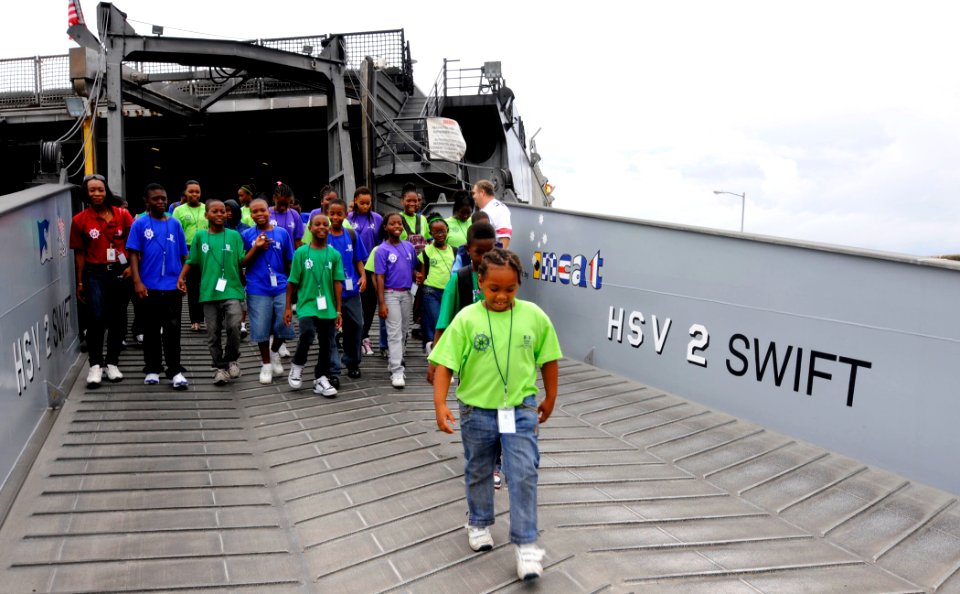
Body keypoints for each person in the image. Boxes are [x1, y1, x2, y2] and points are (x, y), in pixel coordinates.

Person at [429, 249, 561, 581]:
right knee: (479, 468)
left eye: (510, 289)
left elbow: (549, 358)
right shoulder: (467, 319)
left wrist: (551, 395)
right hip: (477, 410)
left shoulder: (534, 316)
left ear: (518, 285)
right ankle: (478, 521)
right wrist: (440, 405)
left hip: (521, 409)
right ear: (480, 283)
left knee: (524, 472)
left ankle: (527, 545)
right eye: (494, 289)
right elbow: (444, 365)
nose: (502, 296)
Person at [69, 173, 134, 387]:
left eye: (100, 190)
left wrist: (132, 269)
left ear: (106, 192)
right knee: (96, 318)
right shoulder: (80, 220)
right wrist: (79, 282)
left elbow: (134, 245)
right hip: (94, 273)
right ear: (86, 194)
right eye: (92, 190)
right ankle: (95, 366)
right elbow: (79, 253)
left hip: (119, 271)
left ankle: (112, 363)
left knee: (118, 318)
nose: (97, 194)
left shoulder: (123, 215)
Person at [126, 183, 190, 389]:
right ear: (147, 201)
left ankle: (175, 371)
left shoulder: (175, 224)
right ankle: (152, 368)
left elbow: (184, 255)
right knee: (151, 329)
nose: (161, 201)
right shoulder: (140, 224)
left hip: (172, 286)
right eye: (156, 198)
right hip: (148, 286)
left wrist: (182, 278)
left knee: (173, 330)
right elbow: (133, 254)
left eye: (163, 198)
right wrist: (137, 281)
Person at [177, 200, 245, 385]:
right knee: (213, 332)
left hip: (232, 288)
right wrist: (181, 278)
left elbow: (242, 260)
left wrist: (256, 248)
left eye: (222, 211)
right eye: (215, 211)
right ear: (206, 215)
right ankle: (219, 367)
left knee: (234, 325)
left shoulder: (234, 236)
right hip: (208, 291)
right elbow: (192, 260)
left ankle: (232, 359)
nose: (220, 214)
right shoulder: (200, 237)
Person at [285, 212, 344, 397]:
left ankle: (321, 378)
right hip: (307, 304)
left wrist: (339, 310)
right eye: (317, 224)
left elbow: (337, 283)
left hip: (327, 307)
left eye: (324, 224)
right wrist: (288, 307)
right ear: (309, 228)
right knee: (307, 334)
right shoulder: (301, 253)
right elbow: (292, 281)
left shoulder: (334, 254)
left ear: (328, 228)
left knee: (327, 342)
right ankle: (297, 364)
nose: (321, 227)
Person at [242, 198, 295, 384]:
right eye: (255, 212)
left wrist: (294, 284)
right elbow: (241, 262)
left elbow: (290, 260)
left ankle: (274, 353)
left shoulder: (282, 233)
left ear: (269, 211)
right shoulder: (247, 235)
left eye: (262, 210)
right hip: (257, 286)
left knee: (284, 323)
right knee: (261, 327)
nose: (259, 214)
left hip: (280, 285)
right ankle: (265, 364)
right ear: (250, 214)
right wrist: (255, 248)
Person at [325, 198, 368, 382]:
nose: (335, 217)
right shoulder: (323, 235)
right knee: (330, 331)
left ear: (345, 215)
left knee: (356, 325)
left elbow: (358, 259)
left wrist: (364, 276)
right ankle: (333, 369)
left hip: (350, 291)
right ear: (328, 214)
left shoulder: (351, 234)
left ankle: (352, 361)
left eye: (339, 213)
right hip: (328, 292)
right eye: (332, 213)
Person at [375, 212, 417, 388]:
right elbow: (379, 278)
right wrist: (382, 303)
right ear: (385, 227)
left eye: (399, 224)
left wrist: (417, 275)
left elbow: (412, 268)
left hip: (407, 294)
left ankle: (395, 360)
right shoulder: (381, 250)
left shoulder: (409, 247)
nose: (397, 226)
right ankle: (397, 371)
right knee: (394, 332)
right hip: (390, 294)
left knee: (404, 331)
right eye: (393, 224)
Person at [347, 186, 382, 356]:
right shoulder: (347, 219)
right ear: (355, 201)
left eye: (368, 203)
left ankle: (365, 336)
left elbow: (382, 243)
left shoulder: (377, 219)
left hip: (371, 268)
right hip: (352, 268)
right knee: (354, 304)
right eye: (362, 203)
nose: (365, 206)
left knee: (370, 305)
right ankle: (353, 337)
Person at [172, 180, 207, 331]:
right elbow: (174, 233)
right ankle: (196, 320)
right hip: (187, 250)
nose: (194, 194)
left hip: (207, 249)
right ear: (185, 193)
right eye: (191, 191)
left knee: (207, 284)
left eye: (197, 192)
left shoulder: (207, 208)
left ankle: (210, 317)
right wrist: (182, 253)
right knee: (192, 285)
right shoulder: (179, 211)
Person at [417, 216, 455, 352]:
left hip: (449, 292)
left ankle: (441, 349)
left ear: (447, 231)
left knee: (447, 321)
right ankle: (433, 348)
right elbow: (421, 274)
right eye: (436, 232)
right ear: (431, 233)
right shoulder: (427, 251)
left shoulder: (454, 251)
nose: (440, 235)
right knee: (435, 320)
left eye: (443, 231)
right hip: (430, 291)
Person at [472, 179, 511, 249]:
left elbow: (504, 237)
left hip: (491, 257)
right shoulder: (486, 209)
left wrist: (497, 257)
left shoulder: (498, 209)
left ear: (482, 192)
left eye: (474, 193)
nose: (473, 196)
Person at [270, 182, 305, 249]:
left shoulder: (295, 215)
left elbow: (298, 241)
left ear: (290, 200)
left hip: (290, 257)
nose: (282, 207)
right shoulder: (267, 213)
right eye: (280, 203)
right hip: (272, 257)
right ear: (274, 198)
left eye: (286, 204)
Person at [398, 183, 429, 253]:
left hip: (421, 261)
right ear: (402, 201)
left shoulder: (422, 219)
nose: (412, 204)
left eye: (415, 201)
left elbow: (428, 240)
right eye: (408, 201)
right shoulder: (396, 218)